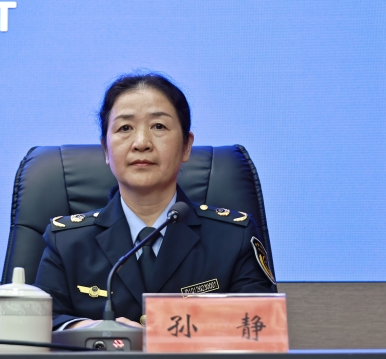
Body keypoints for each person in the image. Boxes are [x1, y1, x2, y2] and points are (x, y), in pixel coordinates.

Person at [34, 73, 275, 330]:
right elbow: (40, 325)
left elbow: (260, 327)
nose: (141, 143)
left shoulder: (233, 238)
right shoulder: (67, 242)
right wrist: (90, 330)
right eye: (125, 128)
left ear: (186, 146)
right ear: (105, 150)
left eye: (158, 126)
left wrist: (167, 335)